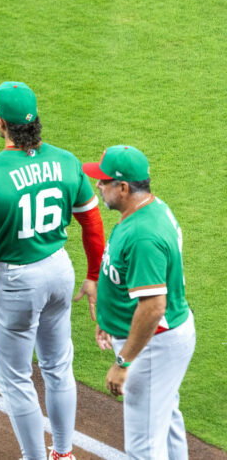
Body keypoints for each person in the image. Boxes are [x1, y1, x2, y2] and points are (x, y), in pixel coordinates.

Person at [0, 81, 105, 460]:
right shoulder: (67, 161)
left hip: (17, 280)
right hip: (59, 271)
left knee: (16, 379)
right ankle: (64, 454)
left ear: (1, 124)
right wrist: (93, 276)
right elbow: (93, 224)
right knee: (57, 366)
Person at [84, 146, 195, 460]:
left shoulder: (143, 234)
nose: (98, 186)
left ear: (123, 187)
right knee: (166, 418)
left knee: (142, 446)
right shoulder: (147, 210)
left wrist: (124, 363)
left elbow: (153, 307)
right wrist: (108, 321)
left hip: (153, 346)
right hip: (161, 338)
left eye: (104, 181)